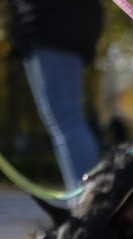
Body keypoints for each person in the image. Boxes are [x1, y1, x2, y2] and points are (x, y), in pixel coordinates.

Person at [8, 0, 103, 193]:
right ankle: (90, 202)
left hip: (50, 26)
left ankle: (88, 203)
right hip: (64, 25)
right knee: (67, 121)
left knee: (67, 121)